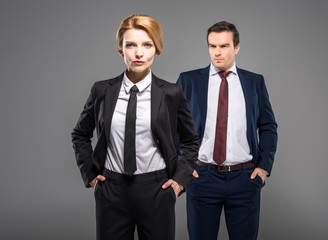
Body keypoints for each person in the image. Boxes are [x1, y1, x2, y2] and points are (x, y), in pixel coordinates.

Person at [71, 14, 199, 240]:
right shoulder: (102, 91)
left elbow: (190, 141)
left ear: (156, 49)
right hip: (112, 189)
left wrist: (179, 182)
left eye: (147, 45)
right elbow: (80, 134)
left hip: (156, 189)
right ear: (121, 50)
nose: (139, 53)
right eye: (131, 45)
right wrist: (91, 175)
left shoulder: (171, 93)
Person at [176, 21, 278, 240]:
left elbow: (268, 125)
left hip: (245, 178)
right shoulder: (189, 81)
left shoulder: (254, 82)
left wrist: (263, 168)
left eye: (223, 46)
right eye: (212, 46)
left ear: (236, 47)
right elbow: (171, 127)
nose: (217, 52)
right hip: (201, 177)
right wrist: (182, 167)